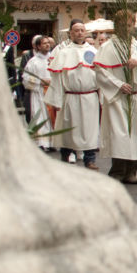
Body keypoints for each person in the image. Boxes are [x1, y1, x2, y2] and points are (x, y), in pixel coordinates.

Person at [95, 10, 137, 184]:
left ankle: (132, 171)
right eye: (122, 25)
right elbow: (100, 71)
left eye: (129, 25)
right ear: (116, 25)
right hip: (118, 97)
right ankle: (118, 170)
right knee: (120, 135)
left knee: (136, 135)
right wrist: (118, 84)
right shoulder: (107, 47)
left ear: (133, 25)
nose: (126, 28)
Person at [45, 19, 101, 169]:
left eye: (82, 30)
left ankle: (90, 159)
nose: (79, 33)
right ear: (70, 32)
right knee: (69, 128)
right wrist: (56, 101)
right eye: (76, 30)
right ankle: (66, 156)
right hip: (70, 97)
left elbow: (102, 76)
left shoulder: (94, 52)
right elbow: (56, 79)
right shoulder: (63, 53)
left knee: (90, 129)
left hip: (90, 97)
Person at [22, 35, 54, 151]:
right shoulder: (33, 62)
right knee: (41, 117)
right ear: (38, 46)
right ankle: (42, 143)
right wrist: (40, 81)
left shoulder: (54, 59)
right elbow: (25, 78)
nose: (47, 45)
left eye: (48, 43)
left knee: (52, 117)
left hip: (53, 93)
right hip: (39, 94)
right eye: (44, 43)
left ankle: (52, 142)